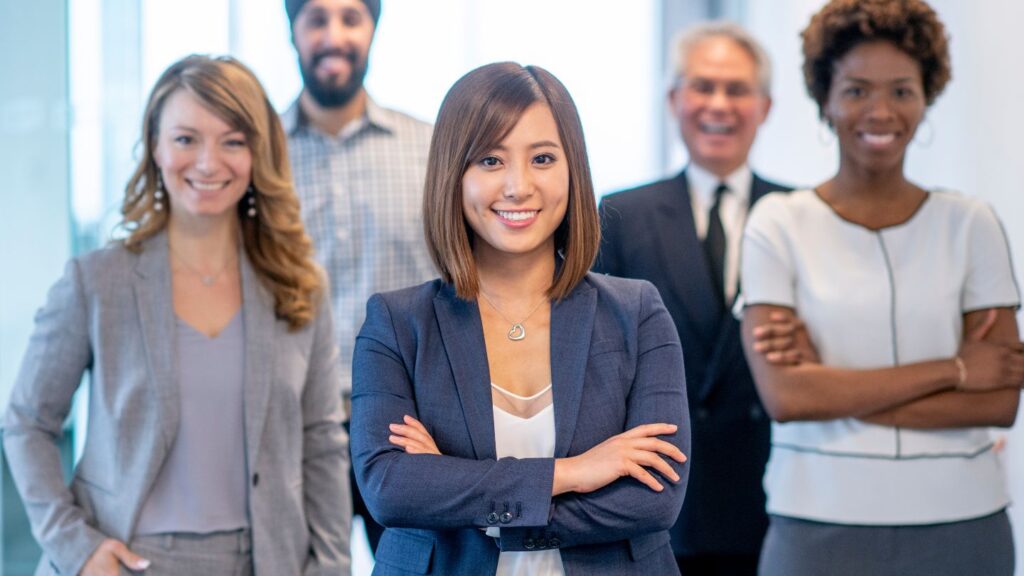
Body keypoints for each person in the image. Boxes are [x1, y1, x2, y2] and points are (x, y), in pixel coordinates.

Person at [2, 55, 350, 576]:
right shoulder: (95, 282)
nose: (208, 163)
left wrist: (332, 567)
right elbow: (27, 423)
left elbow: (321, 443)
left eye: (233, 141)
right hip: (127, 558)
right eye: (186, 139)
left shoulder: (299, 288)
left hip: (268, 561)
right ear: (156, 147)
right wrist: (75, 545)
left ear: (259, 154)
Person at [349, 62, 690, 575]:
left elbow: (655, 498)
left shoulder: (637, 312)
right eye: (490, 160)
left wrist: (461, 493)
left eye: (543, 158)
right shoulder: (397, 323)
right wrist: (573, 472)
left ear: (573, 169)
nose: (518, 186)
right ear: (453, 174)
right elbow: (390, 489)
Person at [740, 1, 1024, 574]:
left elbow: (998, 401)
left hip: (963, 524)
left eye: (902, 91)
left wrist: (835, 389)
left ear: (926, 98)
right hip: (817, 524)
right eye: (856, 90)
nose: (881, 111)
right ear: (825, 99)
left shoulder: (971, 224)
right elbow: (788, 399)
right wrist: (955, 369)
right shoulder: (778, 223)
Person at [595, 21, 789, 575]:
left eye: (737, 89)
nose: (718, 105)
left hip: (775, 494)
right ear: (673, 99)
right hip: (663, 495)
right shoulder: (621, 215)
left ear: (765, 106)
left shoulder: (802, 215)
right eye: (703, 86)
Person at [282, 0, 434, 552]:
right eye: (316, 19)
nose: (334, 35)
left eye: (351, 18)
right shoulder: (254, 155)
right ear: (293, 31)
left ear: (373, 28)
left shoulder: (428, 148)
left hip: (407, 421)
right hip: (292, 420)